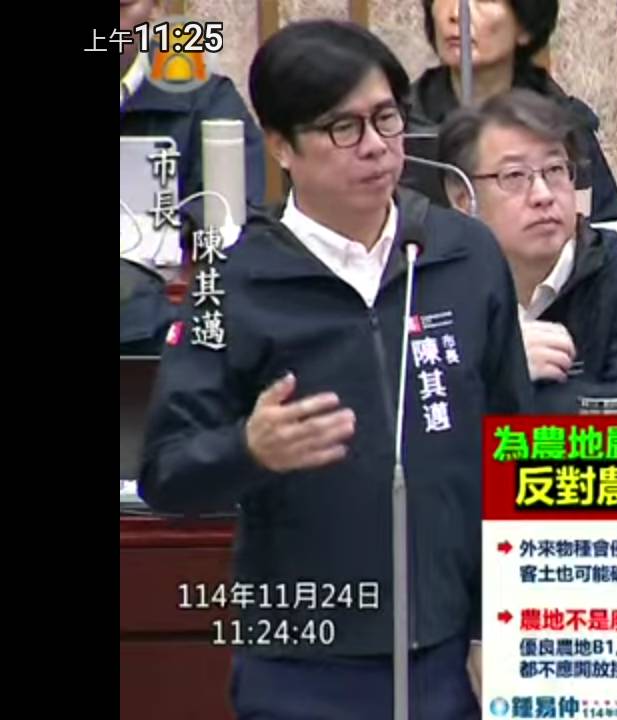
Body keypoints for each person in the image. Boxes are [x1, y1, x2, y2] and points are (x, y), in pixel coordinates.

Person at [136, 20, 532, 718]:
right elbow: (166, 473)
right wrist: (248, 450)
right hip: (302, 665)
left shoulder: (462, 255)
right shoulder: (233, 284)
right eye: (343, 128)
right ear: (282, 147)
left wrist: (495, 624)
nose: (376, 145)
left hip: (449, 655)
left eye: (386, 118)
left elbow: (513, 449)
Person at [438, 89, 617, 413]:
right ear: (464, 199)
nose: (543, 195)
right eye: (514, 175)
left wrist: (503, 384)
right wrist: (500, 368)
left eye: (555, 170)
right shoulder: (431, 286)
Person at [120, 0, 267, 355]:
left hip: (158, 328)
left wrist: (169, 231)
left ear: (154, 7)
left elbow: (236, 211)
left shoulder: (205, 97)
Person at [412, 0, 617, 224]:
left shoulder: (565, 123)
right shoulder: (401, 126)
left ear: (525, 26)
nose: (457, 14)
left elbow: (608, 232)